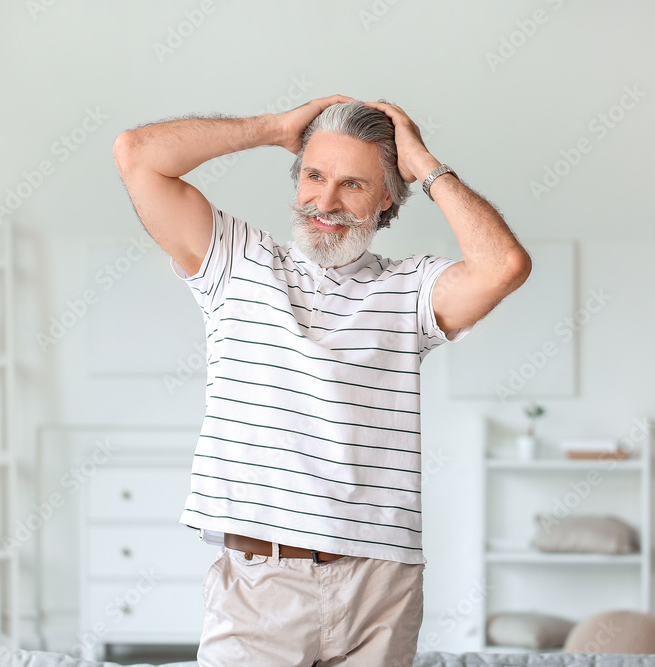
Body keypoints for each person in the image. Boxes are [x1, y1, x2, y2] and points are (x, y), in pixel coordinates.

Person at [112, 94, 531, 666]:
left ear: (388, 196)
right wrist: (274, 127)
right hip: (262, 590)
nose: (326, 201)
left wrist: (423, 162)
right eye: (314, 175)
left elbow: (503, 266)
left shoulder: (410, 290)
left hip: (381, 590)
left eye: (354, 185)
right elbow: (137, 155)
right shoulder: (236, 261)